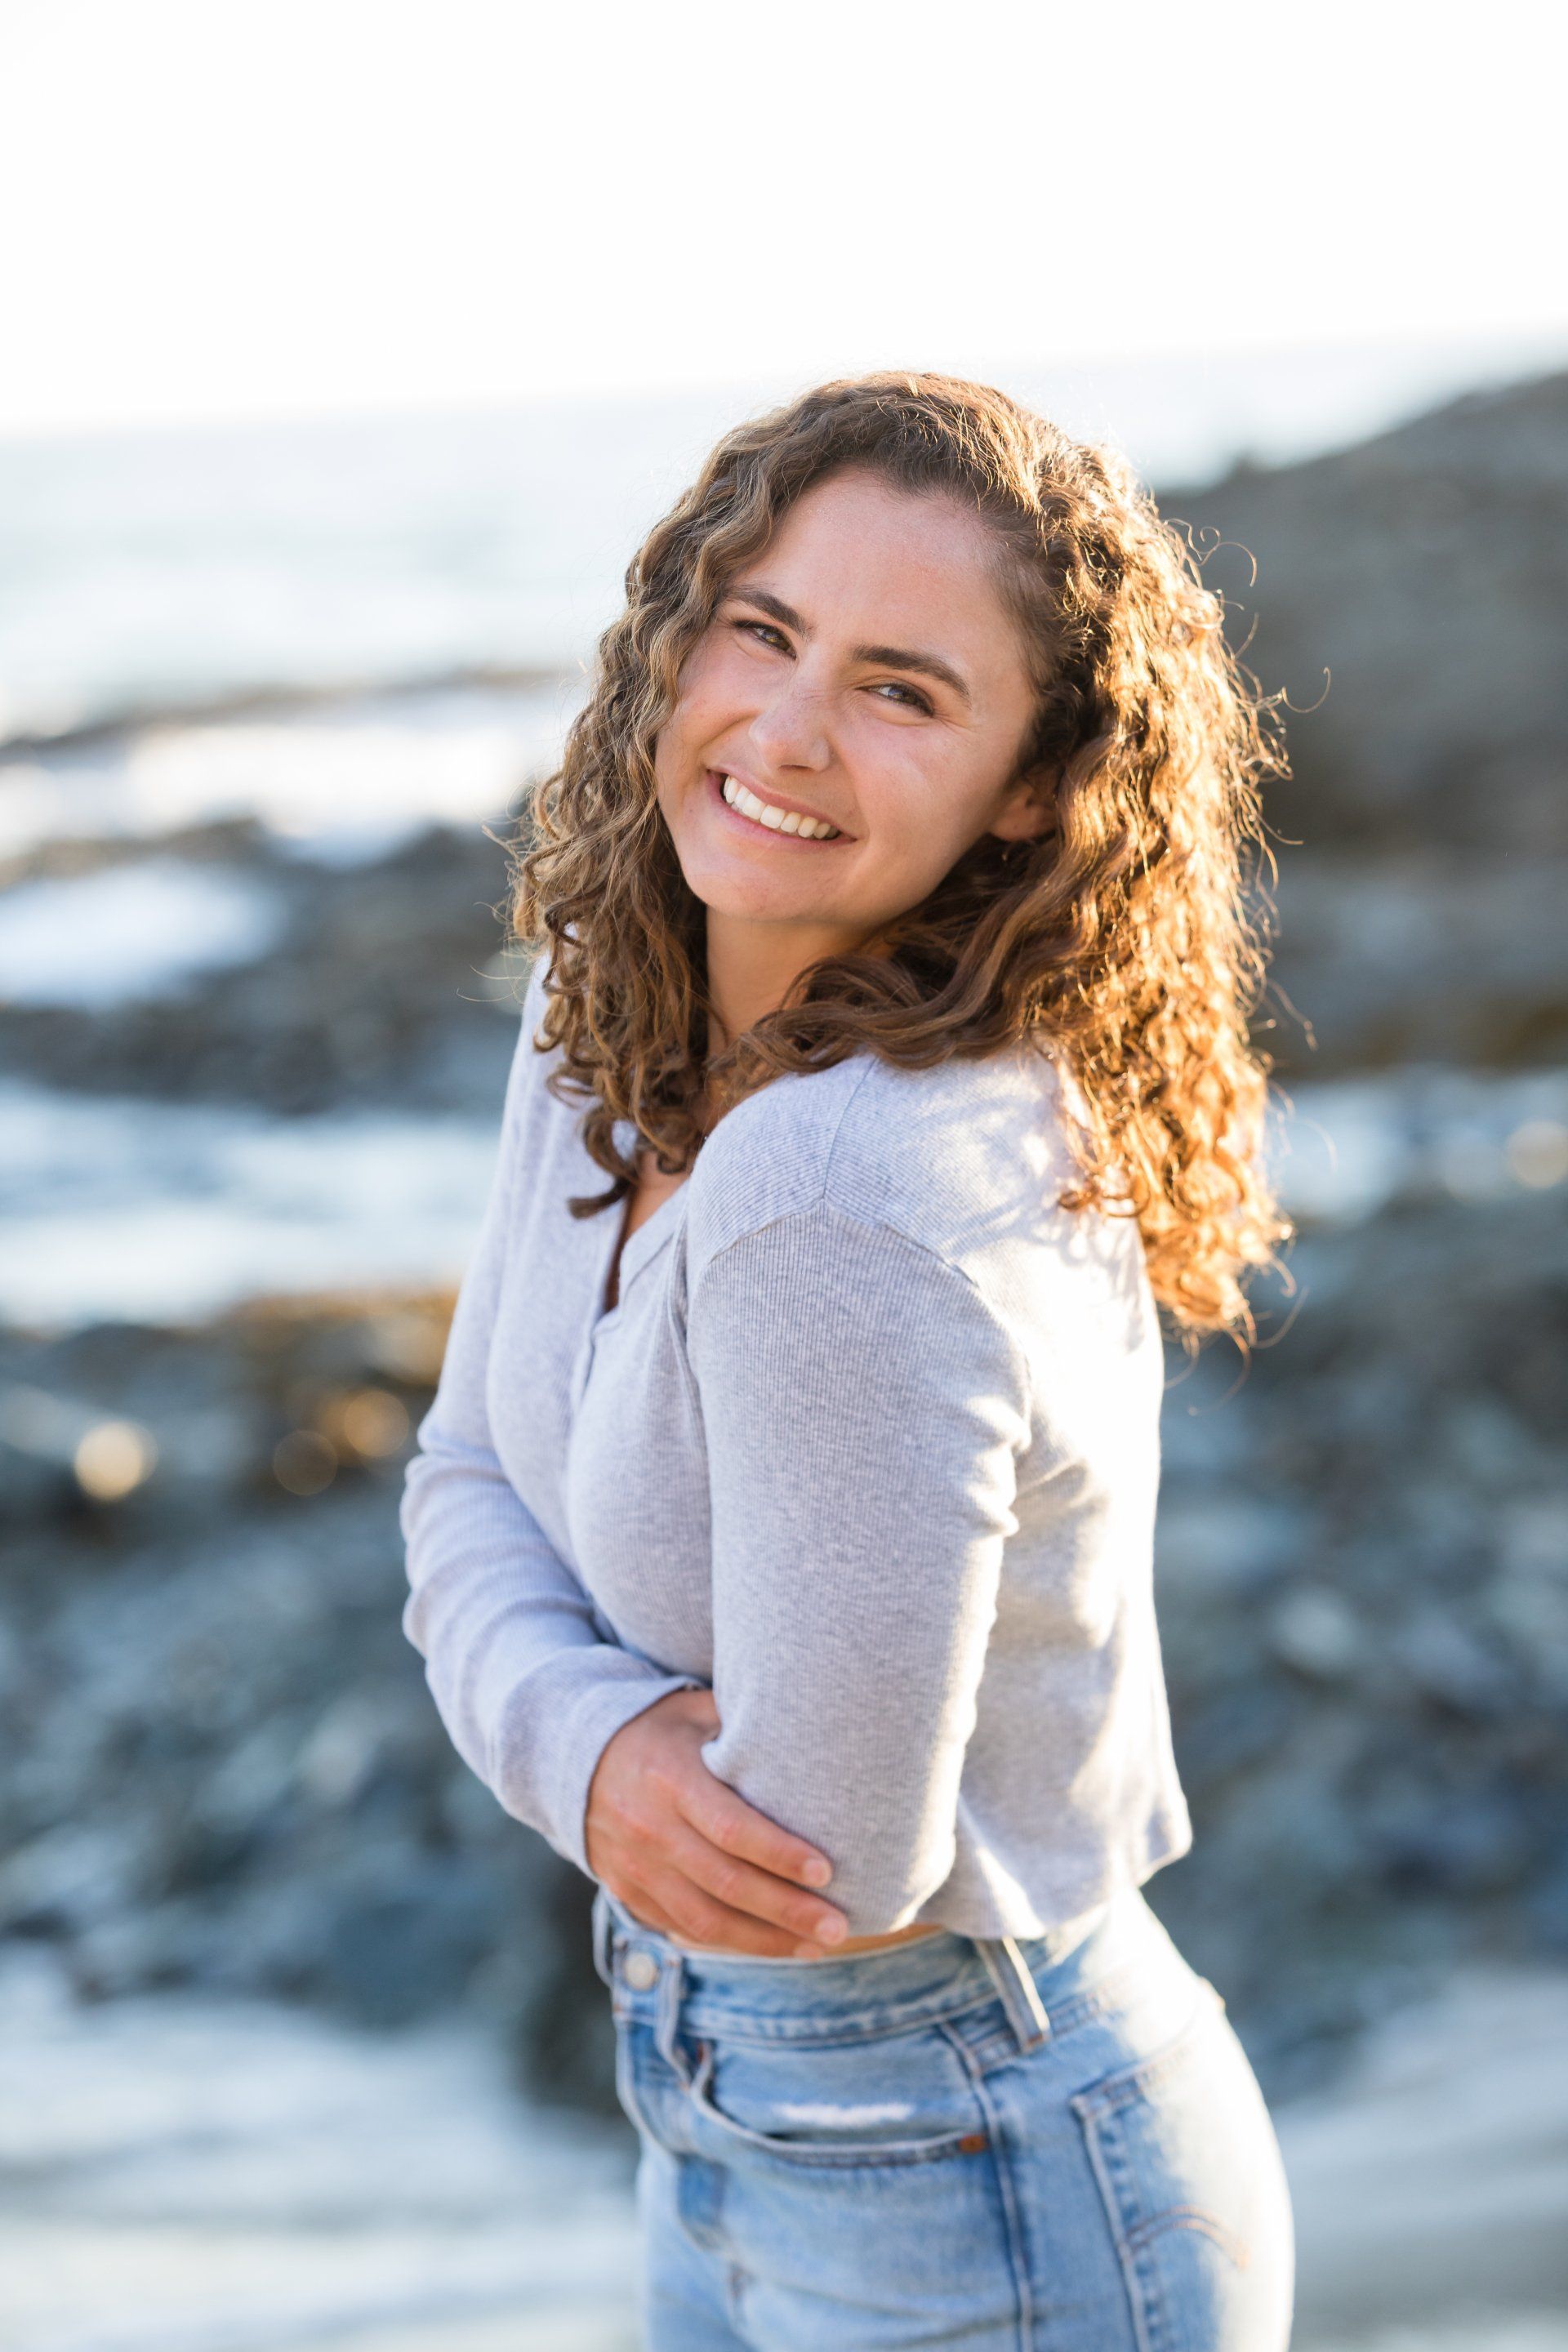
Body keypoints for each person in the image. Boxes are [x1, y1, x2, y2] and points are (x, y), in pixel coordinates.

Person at [400, 372, 1297, 2349]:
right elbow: (461, 1464)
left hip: (964, 2149)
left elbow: (817, 1859)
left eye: (904, 689)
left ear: (1040, 785)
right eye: (765, 630)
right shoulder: (610, 997)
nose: (786, 732)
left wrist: (541, 1707)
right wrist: (598, 1742)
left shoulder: (843, 1181)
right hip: (739, 2123)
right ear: (675, 637)